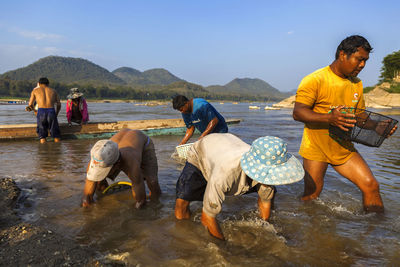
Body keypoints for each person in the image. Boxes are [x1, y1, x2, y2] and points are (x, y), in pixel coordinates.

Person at [292, 35, 397, 213]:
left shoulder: (356, 84)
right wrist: (329, 118)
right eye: (359, 59)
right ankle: (304, 230)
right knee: (312, 195)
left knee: (371, 185)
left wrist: (376, 126)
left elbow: (360, 116)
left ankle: (376, 233)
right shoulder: (316, 79)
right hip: (316, 148)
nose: (362, 65)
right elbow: (298, 112)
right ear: (343, 54)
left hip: (343, 147)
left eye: (365, 61)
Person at [174, 133, 304, 240]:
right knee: (183, 199)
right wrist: (223, 247)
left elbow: (265, 202)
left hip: (230, 144)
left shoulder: (266, 166)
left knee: (269, 192)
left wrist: (265, 228)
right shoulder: (224, 174)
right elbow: (207, 217)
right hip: (202, 152)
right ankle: (182, 233)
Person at [81, 129, 162, 208]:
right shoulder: (97, 157)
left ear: (117, 164)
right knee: (98, 180)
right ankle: (105, 195)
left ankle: (157, 204)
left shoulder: (130, 162)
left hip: (144, 144)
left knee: (152, 181)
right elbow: (86, 197)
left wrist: (136, 216)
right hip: (115, 147)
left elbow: (140, 200)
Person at [26, 77, 61, 143]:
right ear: (48, 84)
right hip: (51, 110)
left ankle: (43, 150)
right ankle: (57, 149)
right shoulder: (53, 91)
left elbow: (30, 104)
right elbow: (59, 104)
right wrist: (56, 113)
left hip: (41, 111)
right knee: (56, 134)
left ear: (39, 84)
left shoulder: (35, 91)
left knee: (42, 135)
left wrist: (35, 111)